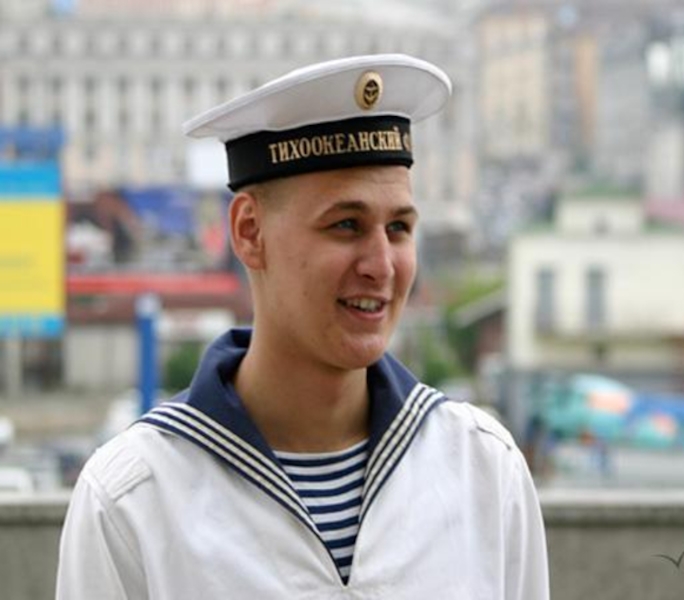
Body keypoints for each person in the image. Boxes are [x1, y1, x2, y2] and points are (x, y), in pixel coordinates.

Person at [56, 54, 549, 599]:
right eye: (346, 225)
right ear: (249, 232)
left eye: (399, 228)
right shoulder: (134, 502)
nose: (382, 265)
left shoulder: (483, 471)